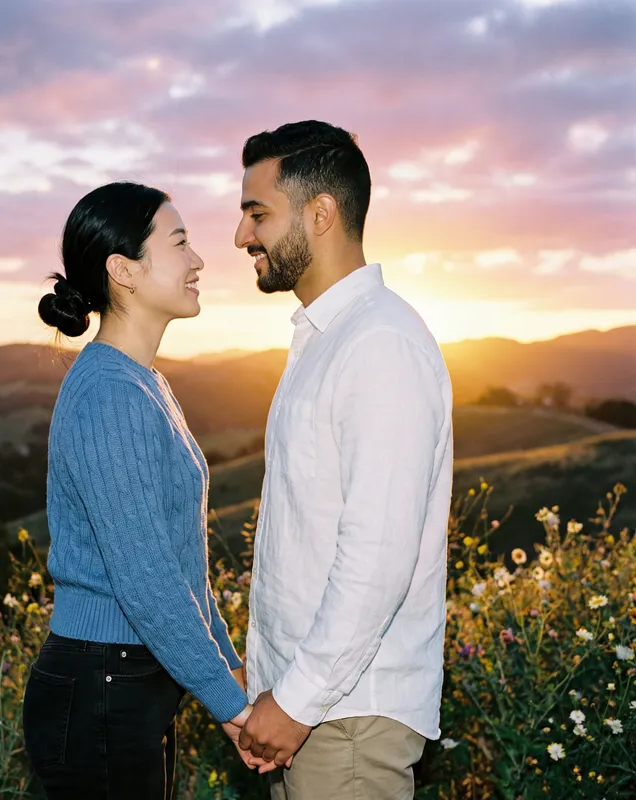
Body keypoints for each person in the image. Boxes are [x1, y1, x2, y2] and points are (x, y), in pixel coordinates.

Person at [233, 121, 454, 800]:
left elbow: (377, 556)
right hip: (315, 715)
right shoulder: (328, 341)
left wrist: (295, 702)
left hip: (344, 721)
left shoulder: (379, 343)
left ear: (320, 212)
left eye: (257, 214)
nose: (243, 238)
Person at [22, 181, 260, 799]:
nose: (200, 260)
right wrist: (229, 704)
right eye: (180, 242)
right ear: (124, 270)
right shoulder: (110, 392)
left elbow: (183, 562)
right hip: (100, 679)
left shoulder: (143, 382)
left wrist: (224, 666)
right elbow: (145, 574)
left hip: (125, 678)